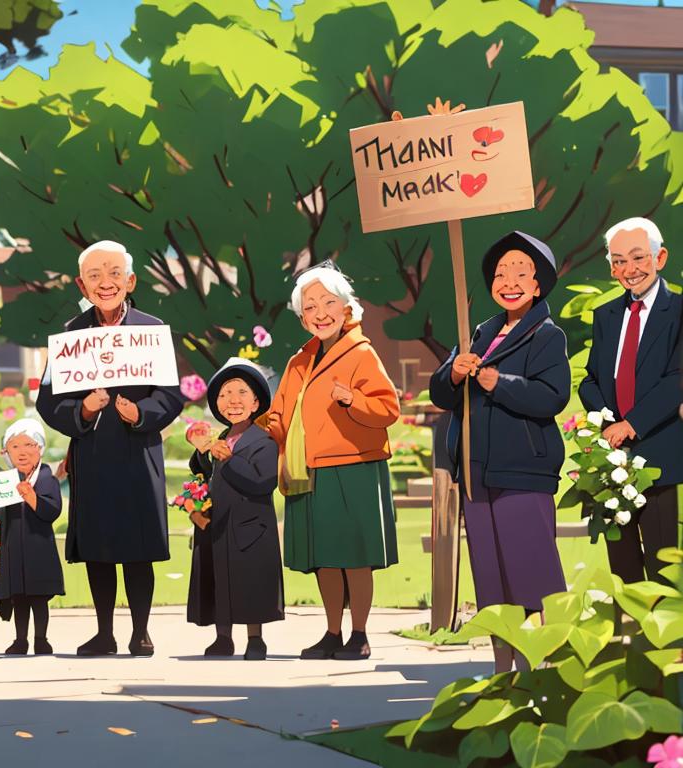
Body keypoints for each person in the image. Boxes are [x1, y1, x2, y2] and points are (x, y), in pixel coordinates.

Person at [36, 240, 185, 657]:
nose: (107, 283)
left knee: (139, 549)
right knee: (99, 550)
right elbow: (47, 401)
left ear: (130, 280)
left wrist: (141, 413)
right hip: (93, 454)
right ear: (82, 285)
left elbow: (171, 396)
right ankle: (104, 632)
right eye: (96, 276)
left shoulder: (152, 331)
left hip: (139, 455)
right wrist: (81, 409)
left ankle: (141, 632)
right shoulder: (69, 336)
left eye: (115, 273)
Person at [429, 231, 570, 672]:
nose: (509, 280)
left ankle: (541, 669)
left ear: (538, 283)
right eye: (501, 272)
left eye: (521, 272)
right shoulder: (479, 332)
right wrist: (453, 373)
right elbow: (441, 395)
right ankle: (502, 672)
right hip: (477, 474)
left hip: (522, 473)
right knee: (492, 582)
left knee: (532, 576)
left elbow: (552, 397)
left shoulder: (547, 336)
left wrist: (497, 383)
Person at [266, 263, 399, 661]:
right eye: (310, 306)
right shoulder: (298, 362)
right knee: (325, 559)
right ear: (302, 317)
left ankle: (359, 633)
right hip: (308, 470)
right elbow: (280, 414)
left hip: (353, 467)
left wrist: (352, 399)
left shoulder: (362, 353)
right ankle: (332, 632)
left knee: (354, 556)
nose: (320, 312)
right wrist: (260, 428)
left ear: (346, 308)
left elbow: (388, 408)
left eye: (328, 302)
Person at [579, 217, 683, 584]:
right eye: (619, 260)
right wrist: (607, 424)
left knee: (661, 565)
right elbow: (591, 380)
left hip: (658, 455)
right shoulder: (606, 315)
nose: (629, 269)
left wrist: (631, 424)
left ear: (660, 257)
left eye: (638, 257)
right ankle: (628, 639)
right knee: (621, 566)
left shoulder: (679, 310)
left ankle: (665, 642)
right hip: (612, 456)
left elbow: (677, 379)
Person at [185, 358, 284, 661]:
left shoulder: (264, 440)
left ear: (256, 402)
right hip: (219, 523)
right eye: (225, 394)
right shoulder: (222, 437)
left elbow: (261, 481)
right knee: (220, 580)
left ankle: (255, 638)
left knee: (250, 581)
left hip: (250, 525)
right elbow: (200, 471)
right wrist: (203, 452)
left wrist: (228, 458)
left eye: (242, 392)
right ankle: (222, 636)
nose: (233, 401)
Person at [0, 418, 63, 655]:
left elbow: (52, 510)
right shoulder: (4, 483)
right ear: (6, 452)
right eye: (15, 447)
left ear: (39, 448)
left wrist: (31, 497)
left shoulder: (46, 479)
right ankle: (21, 640)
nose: (22, 453)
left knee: (39, 599)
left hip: (38, 550)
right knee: (19, 598)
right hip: (14, 551)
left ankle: (41, 638)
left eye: (28, 445)